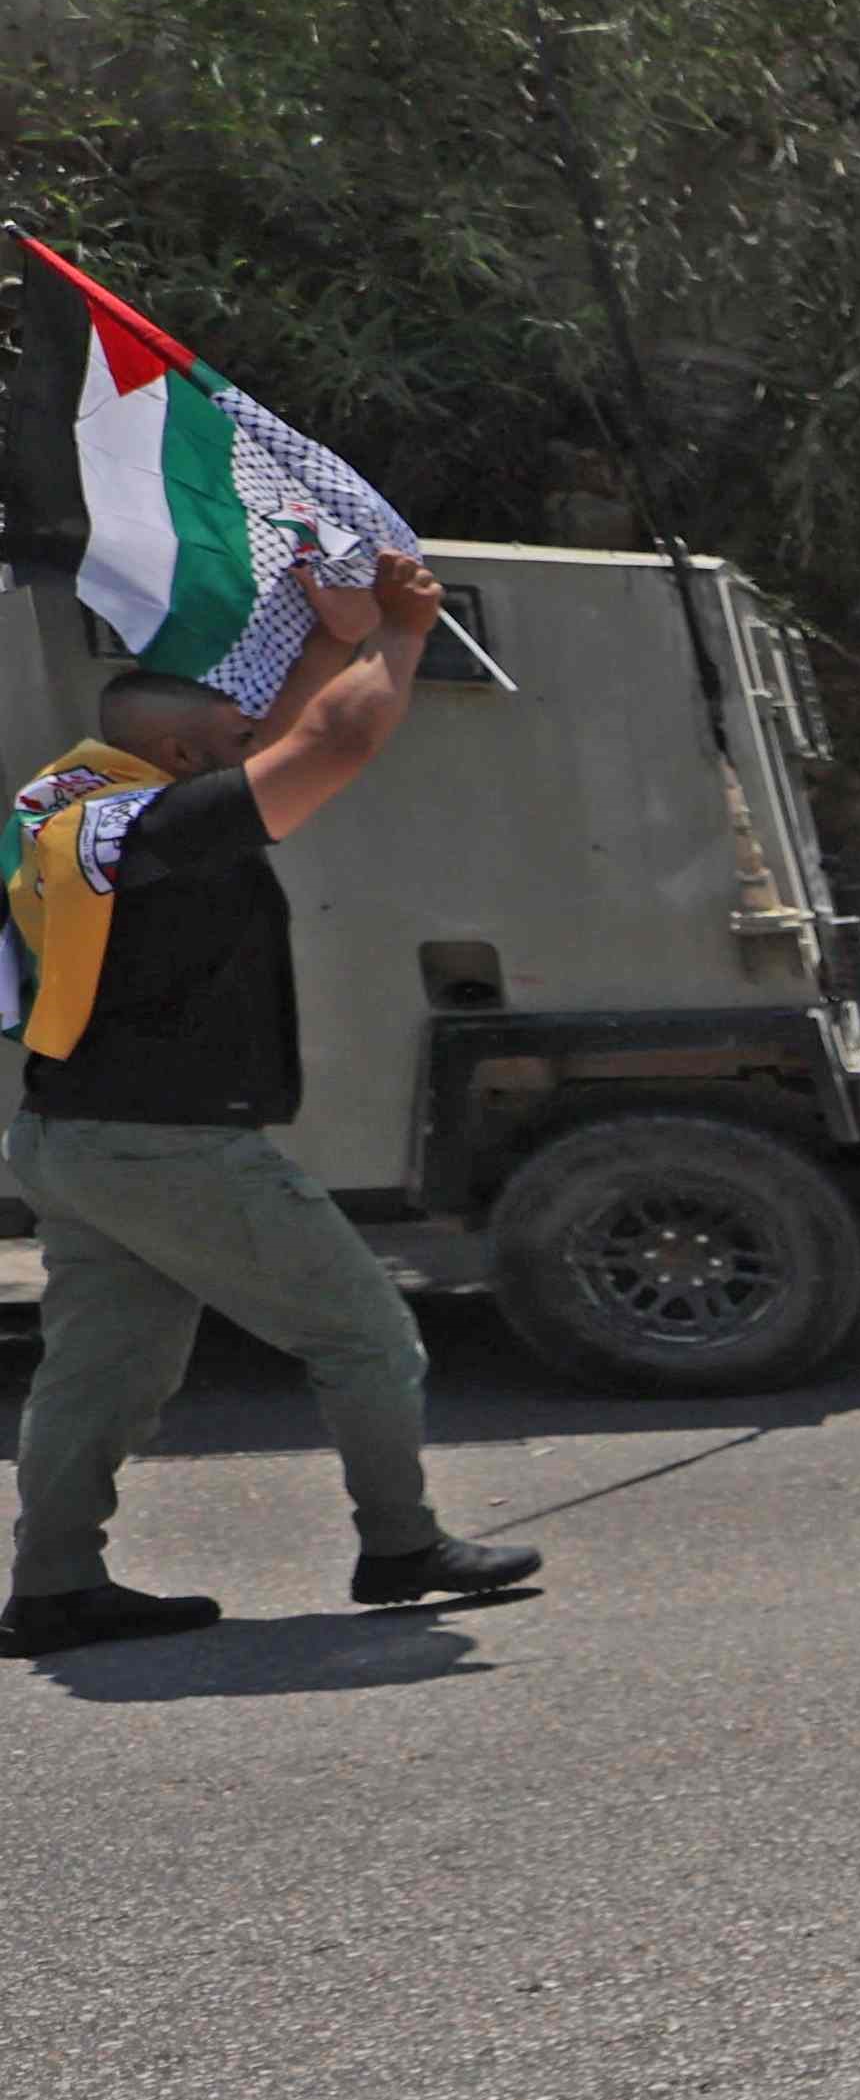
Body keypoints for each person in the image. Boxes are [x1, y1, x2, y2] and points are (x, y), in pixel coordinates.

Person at [5, 551, 541, 1655]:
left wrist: (331, 639)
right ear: (184, 758)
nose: (256, 749)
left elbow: (280, 739)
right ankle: (401, 1546)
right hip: (170, 1147)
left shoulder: (87, 811)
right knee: (367, 1337)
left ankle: (55, 1586)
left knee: (102, 1372)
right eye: (235, 742)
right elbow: (332, 743)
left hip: (74, 1136)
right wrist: (401, 632)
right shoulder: (167, 830)